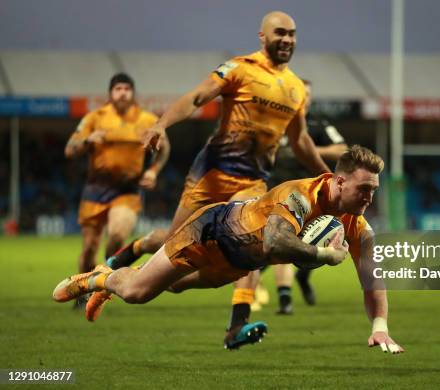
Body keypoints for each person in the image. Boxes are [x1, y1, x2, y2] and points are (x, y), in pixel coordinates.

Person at [86, 11, 330, 348]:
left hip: (253, 182)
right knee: (173, 246)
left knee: (254, 244)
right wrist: (161, 124)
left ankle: (236, 328)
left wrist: (325, 176)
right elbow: (198, 98)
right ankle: (121, 263)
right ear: (263, 36)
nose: (287, 40)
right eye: (280, 33)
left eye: (292, 34)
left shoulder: (296, 88)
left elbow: (301, 141)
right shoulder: (239, 68)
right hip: (212, 174)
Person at [53, 146, 404, 354]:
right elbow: (275, 241)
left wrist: (380, 324)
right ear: (340, 181)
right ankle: (99, 280)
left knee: (173, 285)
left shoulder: (357, 225)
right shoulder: (298, 195)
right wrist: (325, 256)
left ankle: (112, 276)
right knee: (137, 292)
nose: (370, 197)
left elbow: (373, 280)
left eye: (374, 190)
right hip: (210, 232)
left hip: (236, 262)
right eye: (364, 189)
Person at [64, 73, 169, 308]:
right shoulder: (95, 118)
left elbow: (165, 147)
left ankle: (105, 281)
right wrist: (87, 140)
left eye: (127, 89)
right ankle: (82, 291)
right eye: (118, 88)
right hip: (95, 189)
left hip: (127, 189)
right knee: (89, 248)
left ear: (133, 93)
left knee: (117, 236)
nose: (123, 92)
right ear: (110, 93)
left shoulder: (146, 119)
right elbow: (70, 150)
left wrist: (153, 171)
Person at [258, 79, 347, 314]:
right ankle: (284, 298)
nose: (303, 98)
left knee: (312, 239)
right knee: (281, 240)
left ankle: (302, 278)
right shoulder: (276, 123)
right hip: (279, 192)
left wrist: (305, 148)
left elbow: (342, 149)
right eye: (299, 93)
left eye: (307, 94)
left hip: (313, 194)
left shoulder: (318, 125)